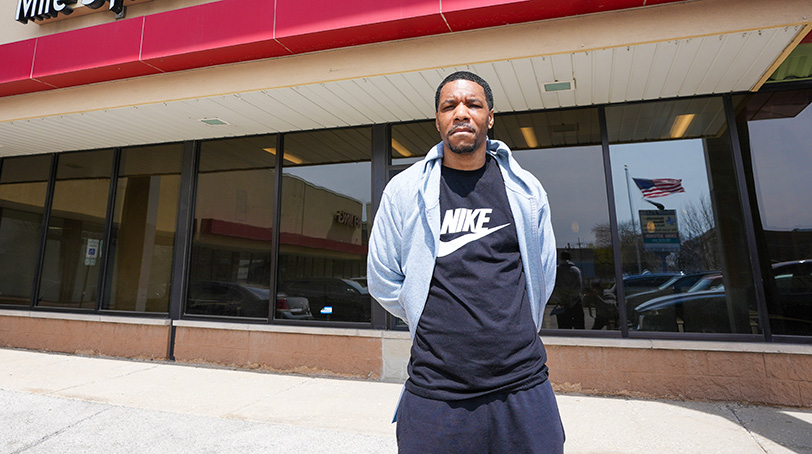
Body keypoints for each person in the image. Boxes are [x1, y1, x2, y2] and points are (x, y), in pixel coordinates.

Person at [367, 71, 565, 453]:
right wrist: (429, 317)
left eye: (473, 104)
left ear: (490, 117)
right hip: (436, 391)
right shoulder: (404, 191)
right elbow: (381, 277)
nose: (461, 113)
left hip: (523, 384)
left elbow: (543, 271)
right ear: (438, 120)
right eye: (449, 106)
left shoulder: (525, 191)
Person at [552, 251, 584, 329]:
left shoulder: (556, 271)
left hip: (561, 304)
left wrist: (561, 299)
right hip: (575, 303)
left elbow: (553, 288)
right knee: (579, 328)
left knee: (564, 329)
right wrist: (571, 299)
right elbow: (578, 287)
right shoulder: (576, 271)